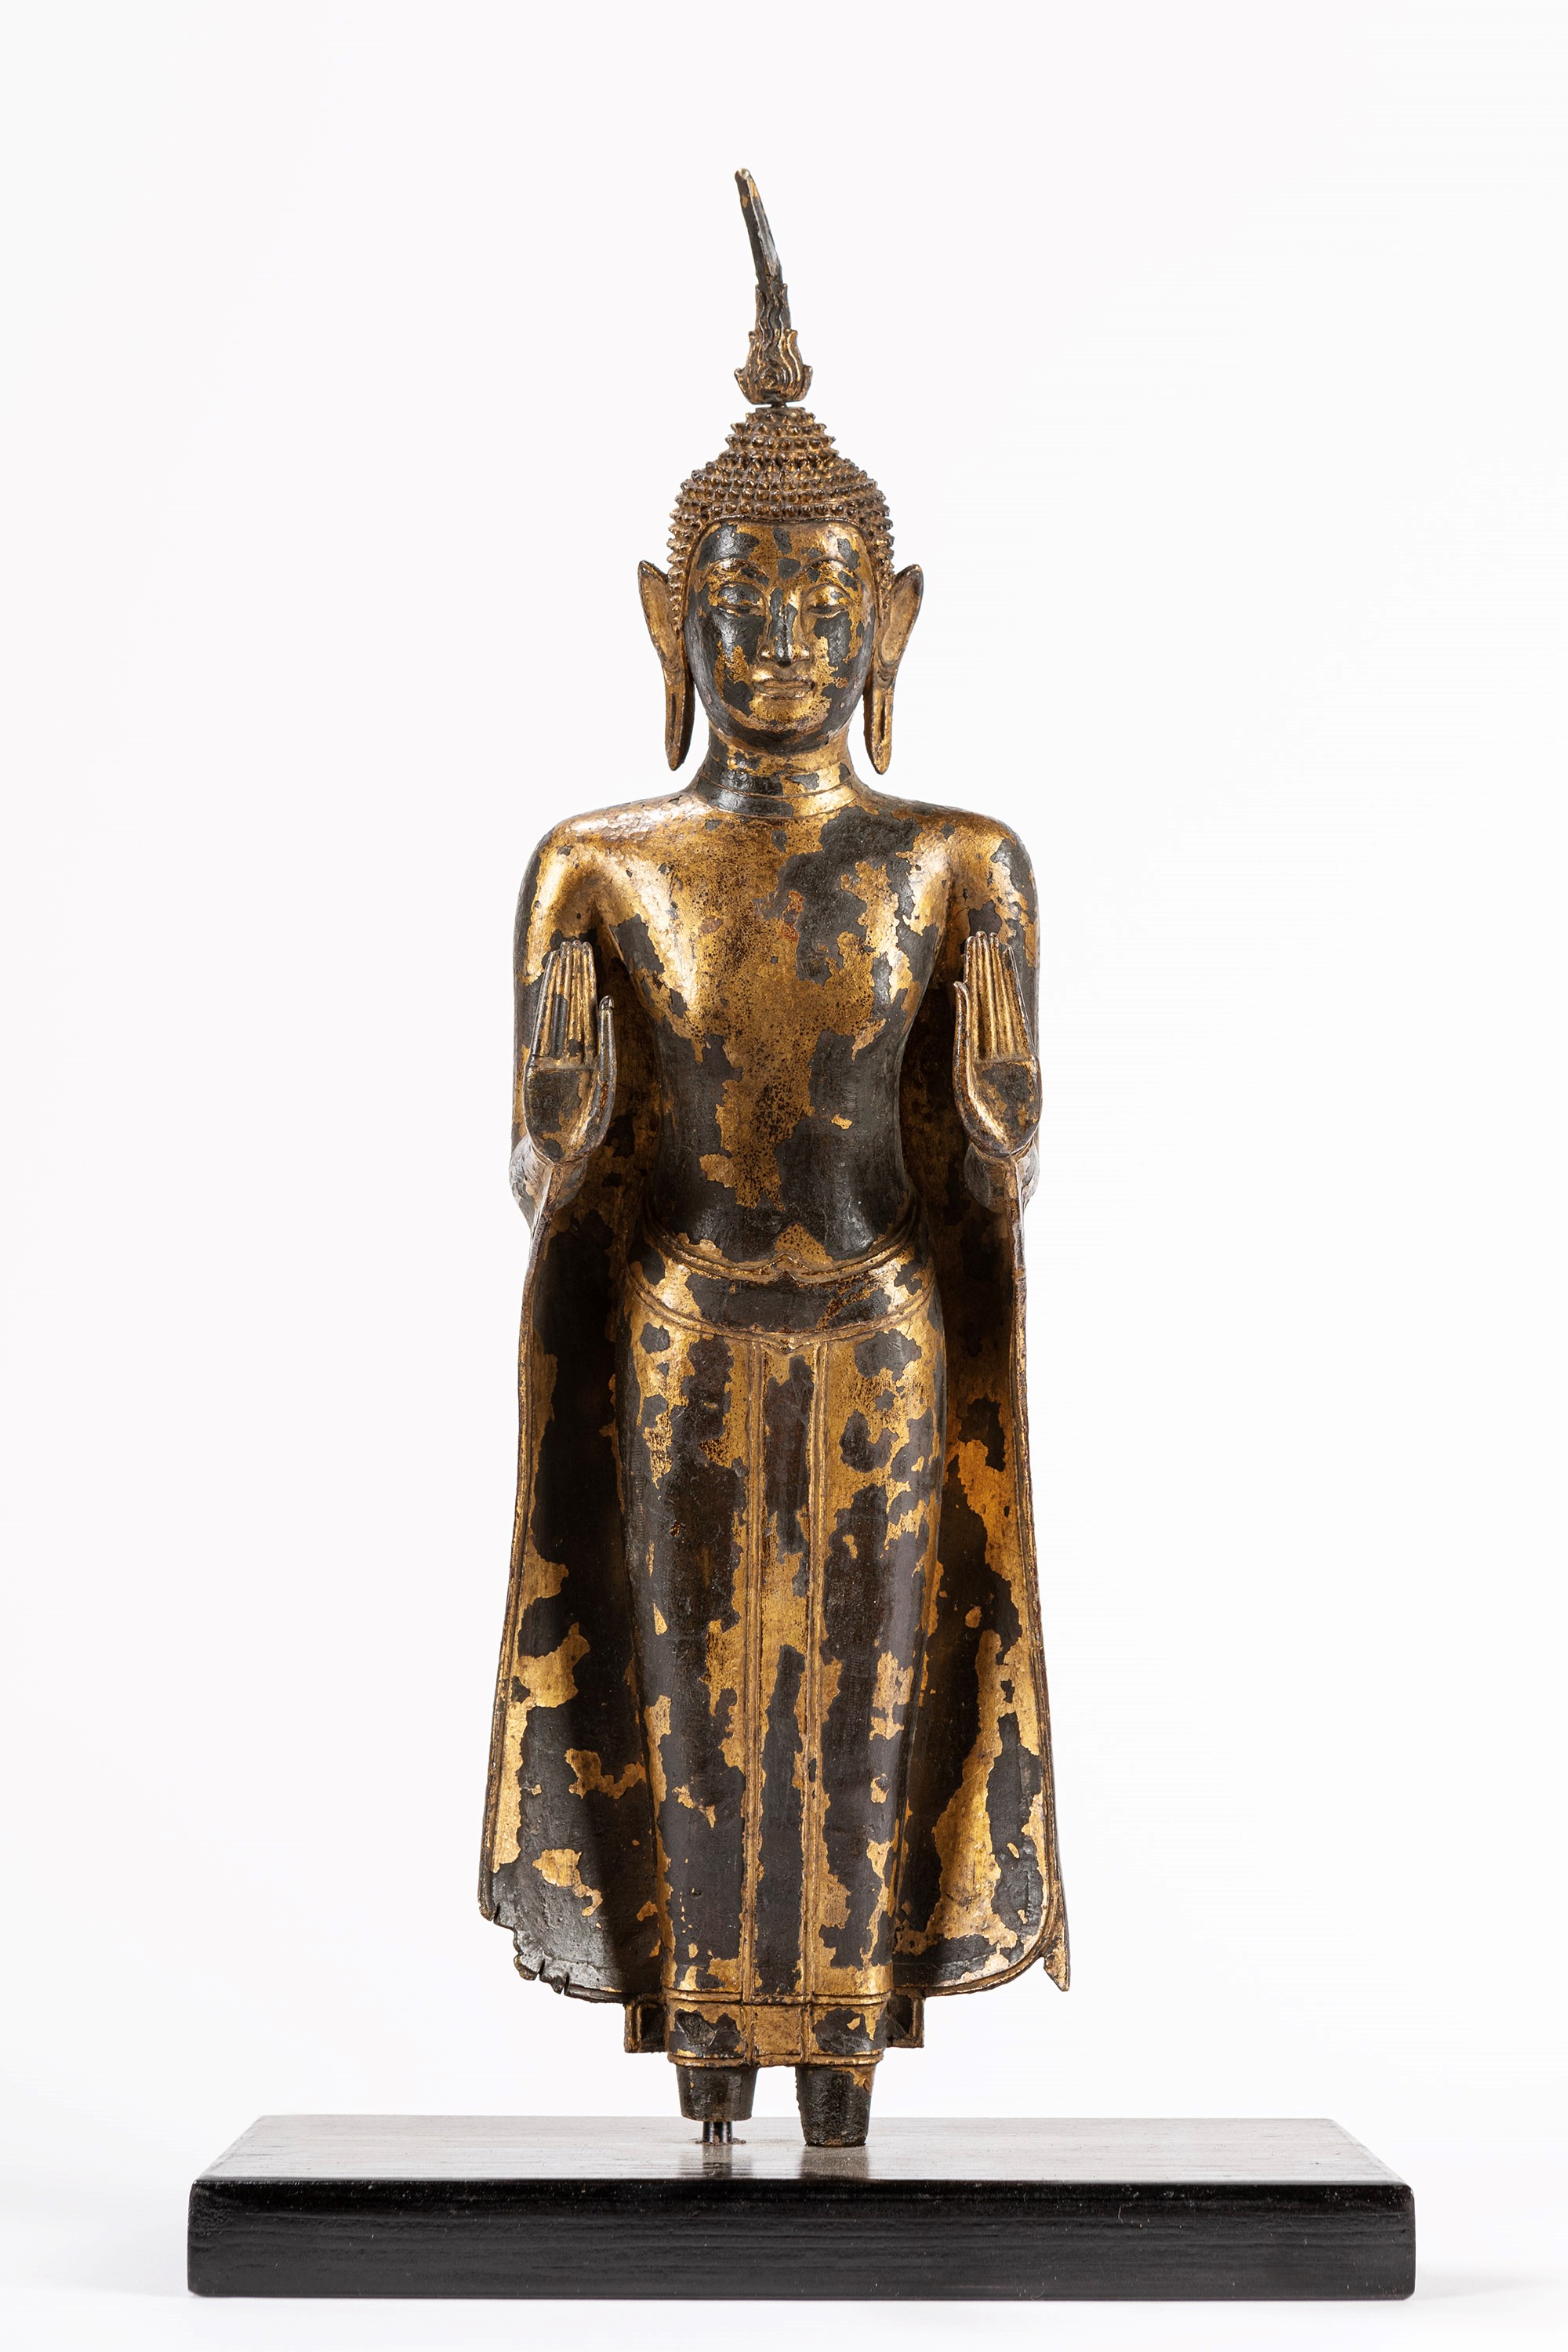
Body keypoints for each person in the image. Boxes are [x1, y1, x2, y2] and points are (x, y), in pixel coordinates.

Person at [481, 173, 1066, 2148]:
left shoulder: (956, 864)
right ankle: (711, 2060)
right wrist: (557, 1147)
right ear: (673, 620)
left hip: (884, 1328)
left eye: (825, 604)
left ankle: (844, 2077)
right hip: (679, 1327)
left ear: (890, 622)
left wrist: (999, 1134)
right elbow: (543, 1163)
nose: (784, 638)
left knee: (876, 1697)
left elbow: (996, 1157)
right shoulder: (600, 868)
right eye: (742, 600)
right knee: (688, 1699)